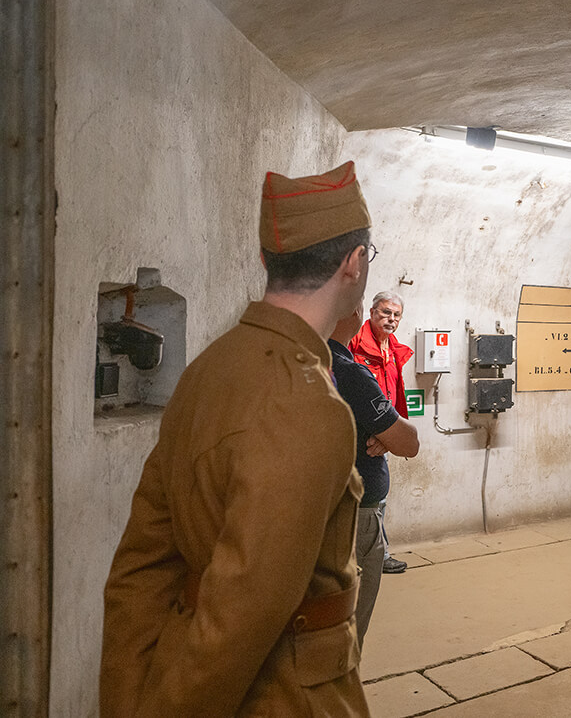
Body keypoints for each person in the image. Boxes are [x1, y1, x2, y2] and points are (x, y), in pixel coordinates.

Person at [100, 161, 374, 716]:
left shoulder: (207, 370)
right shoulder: (309, 408)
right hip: (285, 695)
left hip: (181, 663)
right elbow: (242, 616)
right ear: (354, 263)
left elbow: (141, 569)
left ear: (265, 261)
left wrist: (129, 700)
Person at [328, 305, 421, 651]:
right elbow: (408, 443)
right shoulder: (349, 371)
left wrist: (383, 430)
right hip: (356, 514)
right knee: (347, 620)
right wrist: (388, 434)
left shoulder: (302, 360)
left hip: (318, 507)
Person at [349, 291, 414, 574]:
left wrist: (388, 437)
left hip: (381, 433)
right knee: (359, 497)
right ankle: (358, 557)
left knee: (377, 495)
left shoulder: (393, 350)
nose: (391, 319)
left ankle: (378, 553)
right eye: (386, 312)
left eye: (396, 315)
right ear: (371, 312)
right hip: (355, 435)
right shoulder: (352, 345)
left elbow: (392, 395)